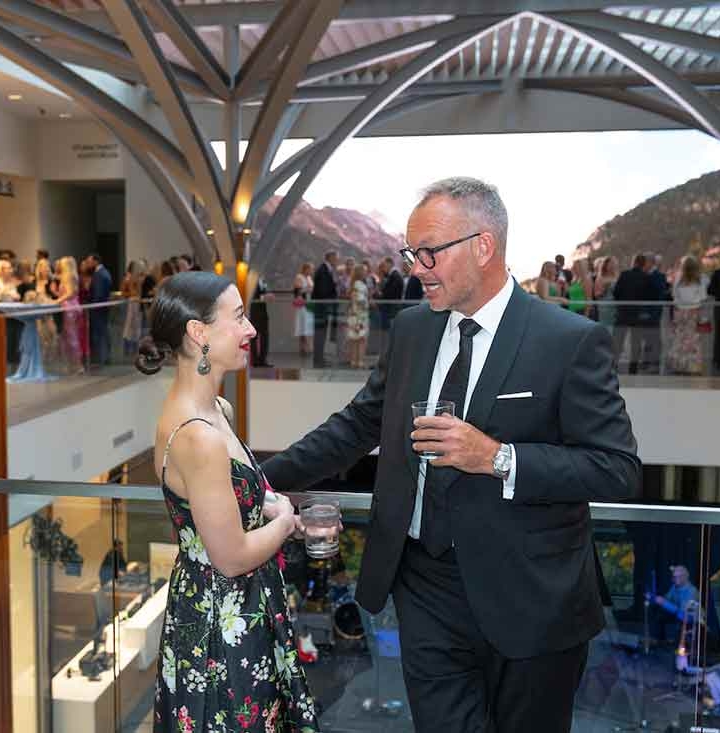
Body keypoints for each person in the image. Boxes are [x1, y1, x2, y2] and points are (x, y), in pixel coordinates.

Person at [261, 177, 640, 732]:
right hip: (424, 590)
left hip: (532, 601)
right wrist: (255, 475)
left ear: (483, 246)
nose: (417, 267)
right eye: (412, 253)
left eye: (430, 252)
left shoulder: (568, 341)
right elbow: (360, 424)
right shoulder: (413, 329)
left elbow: (618, 469)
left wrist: (499, 457)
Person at [136, 271, 319, 733]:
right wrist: (285, 520)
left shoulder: (217, 412)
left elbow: (237, 500)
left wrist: (273, 505)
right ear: (198, 333)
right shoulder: (198, 437)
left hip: (236, 608)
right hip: (222, 625)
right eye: (238, 317)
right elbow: (232, 557)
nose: (250, 328)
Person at [667, 256, 708, 375]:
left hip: (680, 313)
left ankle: (679, 365)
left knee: (679, 340)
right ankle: (693, 367)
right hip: (694, 312)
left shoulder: (678, 280)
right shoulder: (699, 280)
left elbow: (674, 297)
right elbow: (703, 297)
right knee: (693, 341)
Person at [84, 254, 113, 365]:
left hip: (98, 310)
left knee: (100, 333)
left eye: (89, 261)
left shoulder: (99, 274)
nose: (88, 264)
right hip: (101, 310)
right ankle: (103, 357)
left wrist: (93, 306)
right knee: (102, 332)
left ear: (95, 261)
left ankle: (101, 358)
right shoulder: (103, 272)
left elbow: (99, 294)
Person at [311, 251, 339, 367]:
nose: (337, 261)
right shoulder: (323, 271)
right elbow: (323, 291)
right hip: (321, 308)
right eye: (336, 258)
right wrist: (332, 297)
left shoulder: (326, 270)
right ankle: (318, 360)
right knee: (319, 334)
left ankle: (320, 358)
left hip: (323, 308)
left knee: (322, 334)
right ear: (330, 258)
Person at [347, 263, 371, 368]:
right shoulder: (359, 284)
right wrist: (368, 303)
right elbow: (360, 300)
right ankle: (360, 361)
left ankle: (354, 361)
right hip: (360, 316)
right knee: (361, 339)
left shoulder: (354, 284)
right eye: (365, 271)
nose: (366, 273)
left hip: (354, 315)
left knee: (354, 339)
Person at [292, 262, 315, 357]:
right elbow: (297, 291)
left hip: (309, 304)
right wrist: (307, 289)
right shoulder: (299, 277)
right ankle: (304, 348)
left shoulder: (309, 278)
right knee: (302, 325)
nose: (312, 271)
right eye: (310, 269)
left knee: (308, 326)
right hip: (302, 305)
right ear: (305, 269)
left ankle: (308, 347)